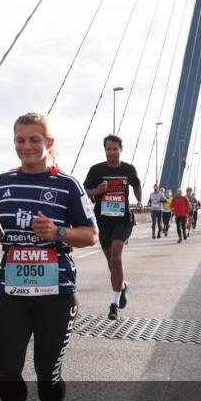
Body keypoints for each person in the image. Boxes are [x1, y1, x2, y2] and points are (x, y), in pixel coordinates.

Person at [0, 112, 97, 401]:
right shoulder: (3, 183)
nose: (27, 146)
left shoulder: (68, 185)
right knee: (4, 371)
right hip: (12, 292)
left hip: (56, 294)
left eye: (35, 140)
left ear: (49, 144)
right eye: (20, 139)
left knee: (47, 372)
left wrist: (59, 233)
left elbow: (90, 235)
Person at [83, 134, 141, 321]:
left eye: (115, 149)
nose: (112, 152)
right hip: (103, 221)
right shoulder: (96, 170)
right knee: (111, 262)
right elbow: (84, 191)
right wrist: (96, 191)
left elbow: (137, 185)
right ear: (105, 150)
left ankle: (114, 304)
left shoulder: (129, 169)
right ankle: (121, 286)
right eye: (108, 149)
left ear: (120, 149)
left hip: (123, 219)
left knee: (116, 256)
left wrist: (139, 201)